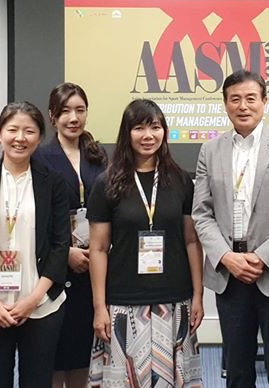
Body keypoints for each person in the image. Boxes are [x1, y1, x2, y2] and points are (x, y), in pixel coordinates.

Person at [192, 70, 269, 388]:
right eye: (235, 99)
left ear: (264, 101)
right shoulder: (210, 151)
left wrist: (262, 258)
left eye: (250, 98)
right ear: (225, 104)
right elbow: (202, 214)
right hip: (230, 276)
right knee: (237, 372)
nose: (243, 106)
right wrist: (226, 257)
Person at [87, 99, 203, 387]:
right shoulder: (107, 183)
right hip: (124, 299)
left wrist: (198, 295)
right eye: (139, 128)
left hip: (174, 297)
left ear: (164, 131)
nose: (148, 135)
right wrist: (99, 306)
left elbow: (191, 241)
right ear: (127, 133)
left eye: (155, 127)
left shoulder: (180, 180)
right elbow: (98, 249)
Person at [0, 101, 71, 388]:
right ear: (0, 134)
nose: (20, 138)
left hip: (41, 306)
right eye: (12, 130)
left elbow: (61, 244)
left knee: (38, 382)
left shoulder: (54, 182)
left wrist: (33, 300)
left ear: (39, 137)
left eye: (29, 131)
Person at [35, 83, 107, 388]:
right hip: (55, 268)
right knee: (53, 354)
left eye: (80, 110)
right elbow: (36, 217)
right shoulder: (39, 157)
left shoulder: (97, 155)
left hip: (94, 266)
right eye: (65, 111)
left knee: (83, 353)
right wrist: (65, 252)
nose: (73, 118)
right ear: (52, 116)